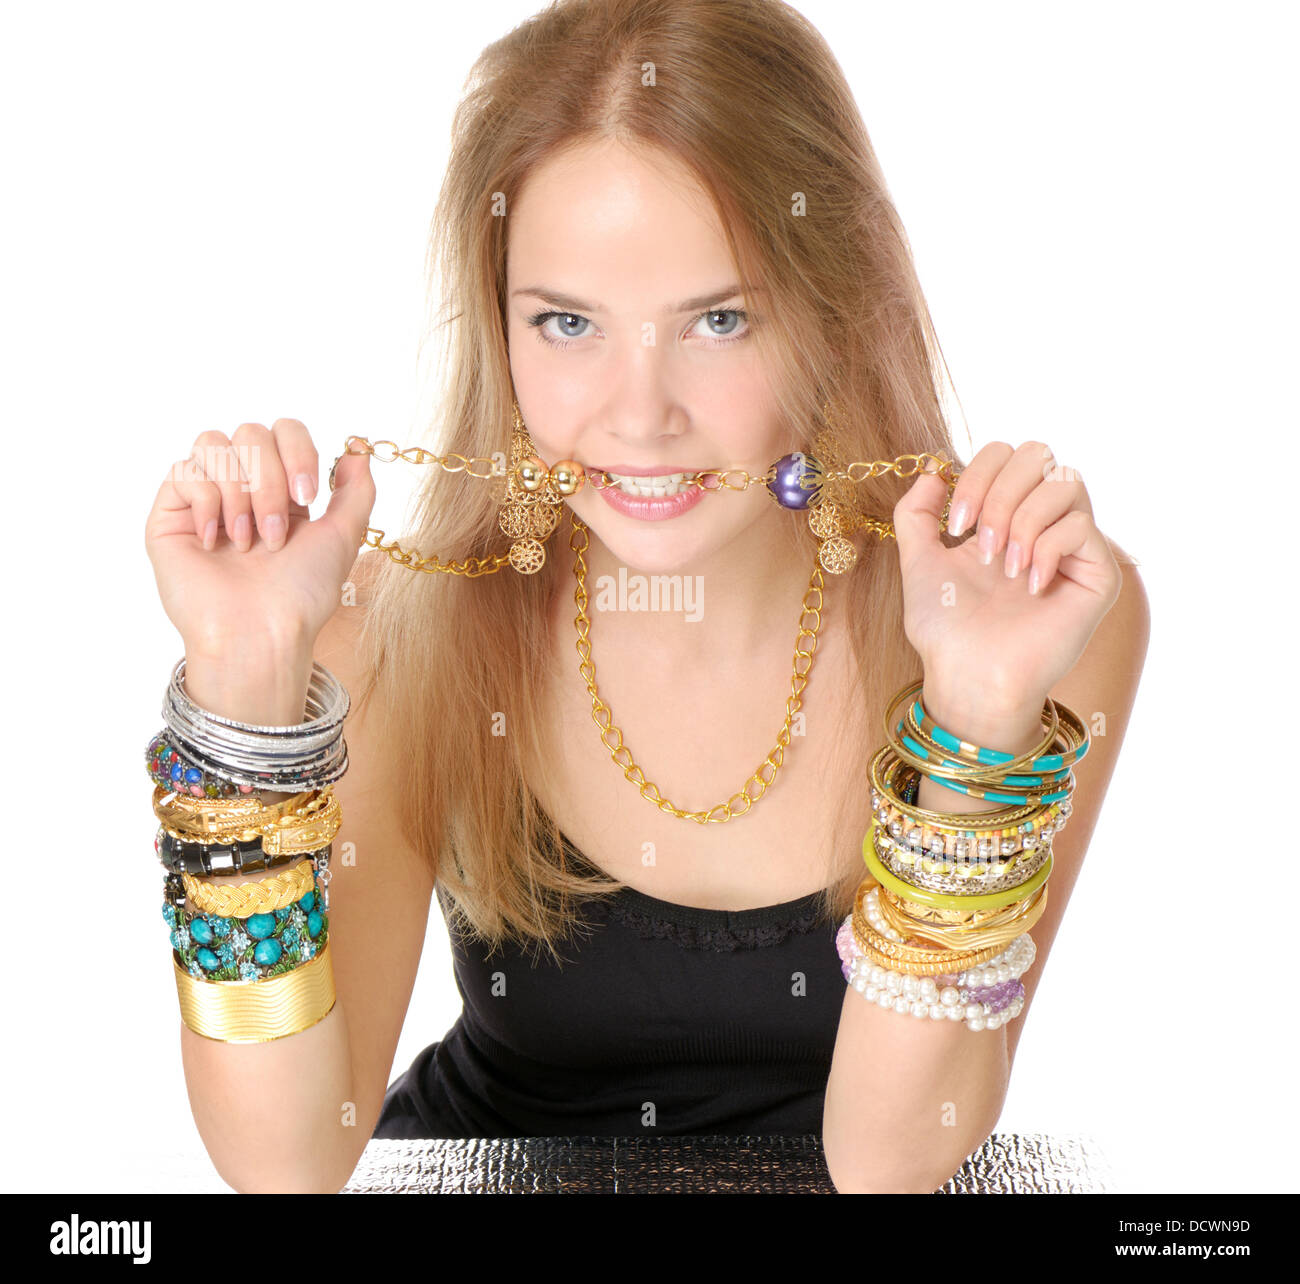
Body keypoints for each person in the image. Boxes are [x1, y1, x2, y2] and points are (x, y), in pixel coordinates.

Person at [143, 0, 1149, 1195]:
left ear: (831, 307)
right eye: (567, 323)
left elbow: (892, 1164)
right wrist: (248, 701)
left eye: (717, 320)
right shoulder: (400, 631)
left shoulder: (1034, 619)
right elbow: (284, 1162)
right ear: (501, 325)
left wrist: (977, 719)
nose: (638, 416)